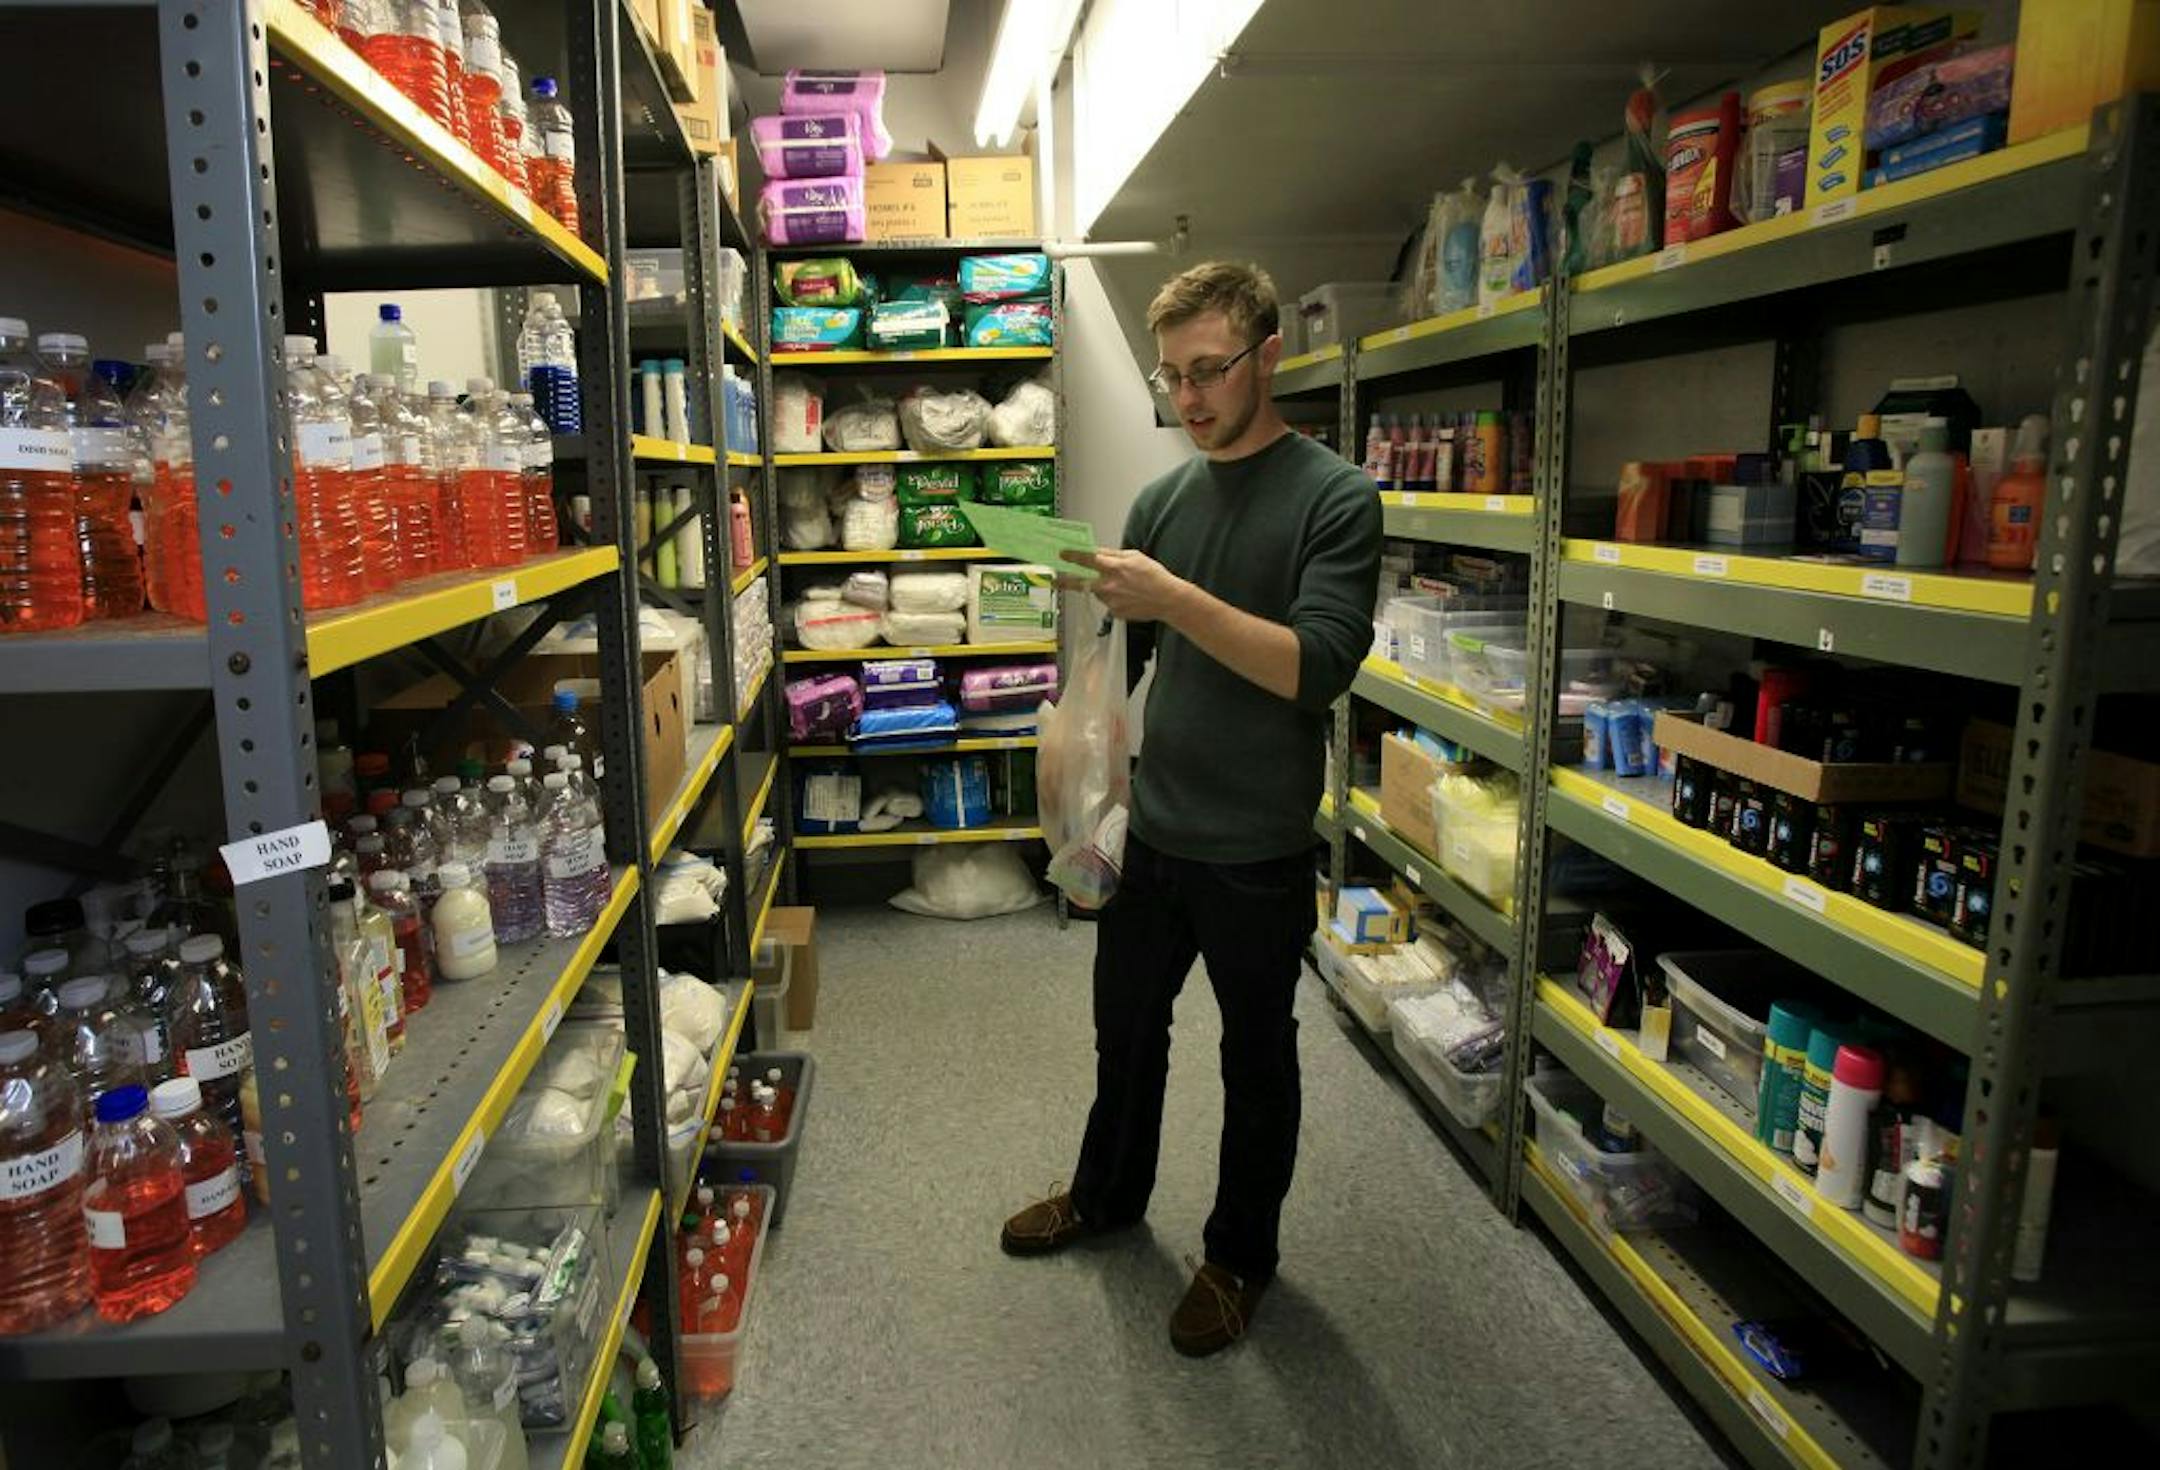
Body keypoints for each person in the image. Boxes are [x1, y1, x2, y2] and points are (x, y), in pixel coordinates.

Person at [1001, 261, 1381, 1356]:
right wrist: (1092, 594)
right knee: (1126, 1029)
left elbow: (1314, 668)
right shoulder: (1163, 499)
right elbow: (1146, 661)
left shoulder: (1336, 498)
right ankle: (1107, 1196)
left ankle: (1237, 1258)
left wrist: (1172, 595)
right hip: (1154, 830)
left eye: (1209, 370)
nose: (1190, 398)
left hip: (1256, 844)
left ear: (1268, 356)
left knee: (1257, 1058)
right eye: (1171, 377)